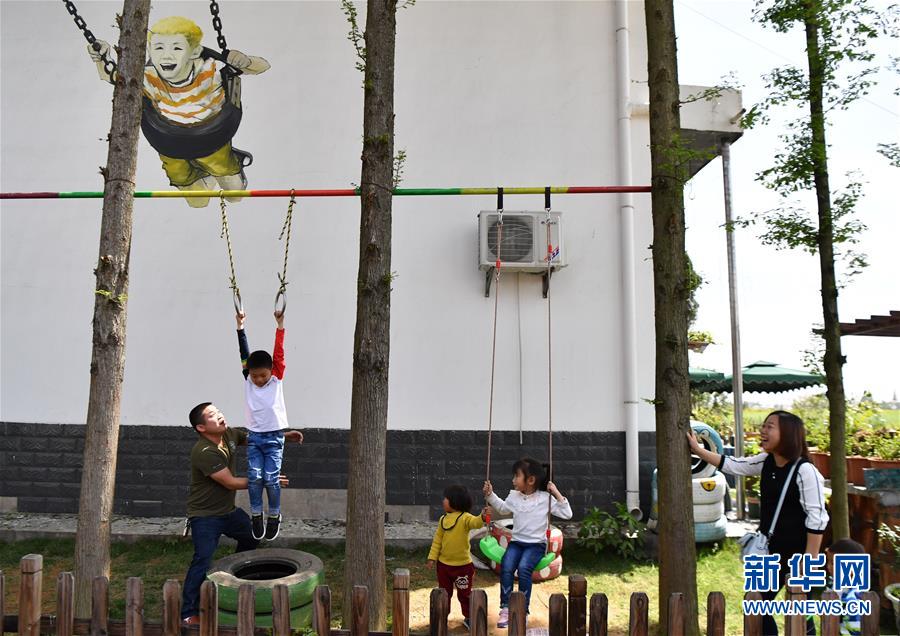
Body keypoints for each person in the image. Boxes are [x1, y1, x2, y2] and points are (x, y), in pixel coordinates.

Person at [88, 16, 270, 207]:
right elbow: (113, 76)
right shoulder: (146, 77)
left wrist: (243, 61)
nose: (166, 56)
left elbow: (261, 67)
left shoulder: (212, 68)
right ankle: (200, 173)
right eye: (159, 48)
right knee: (198, 202)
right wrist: (102, 58)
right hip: (170, 146)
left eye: (176, 48)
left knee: (235, 194)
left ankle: (214, 167)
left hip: (212, 141)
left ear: (193, 52)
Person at [688, 410, 828, 635]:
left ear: (788, 434)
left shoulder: (805, 471)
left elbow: (818, 520)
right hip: (771, 552)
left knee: (801, 612)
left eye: (770, 426)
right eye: (764, 425)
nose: (763, 430)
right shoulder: (766, 461)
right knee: (756, 605)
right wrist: (698, 451)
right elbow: (734, 465)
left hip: (798, 556)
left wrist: (807, 565)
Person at [180, 402, 299, 625]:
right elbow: (230, 482)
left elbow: (255, 439)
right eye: (212, 416)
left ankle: (231, 578)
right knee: (202, 559)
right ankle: (187, 612)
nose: (220, 416)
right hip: (205, 516)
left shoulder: (230, 434)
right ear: (201, 428)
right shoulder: (204, 452)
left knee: (251, 535)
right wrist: (268, 481)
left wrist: (284, 436)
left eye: (218, 412)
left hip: (228, 511)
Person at [483, 457, 572, 628]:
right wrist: (490, 495)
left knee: (524, 569)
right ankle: (506, 608)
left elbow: (567, 513)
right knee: (507, 566)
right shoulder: (514, 497)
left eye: (516, 476)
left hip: (536, 545)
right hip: (517, 543)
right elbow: (502, 508)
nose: (513, 480)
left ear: (530, 480)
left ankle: (523, 609)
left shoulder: (545, 499)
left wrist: (556, 492)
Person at [238, 309, 302, 541]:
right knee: (255, 477)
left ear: (271, 372)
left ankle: (274, 515)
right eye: (255, 376)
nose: (259, 380)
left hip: (275, 436)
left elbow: (279, 353)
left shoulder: (276, 377)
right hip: (254, 436)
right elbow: (244, 353)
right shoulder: (248, 379)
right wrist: (240, 327)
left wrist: (280, 324)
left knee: (271, 478)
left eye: (263, 375)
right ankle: (257, 513)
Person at [427, 484, 486, 630]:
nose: (443, 501)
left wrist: (483, 517)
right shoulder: (442, 520)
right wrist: (432, 557)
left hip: (463, 567)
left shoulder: (465, 518)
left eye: (445, 498)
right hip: (444, 566)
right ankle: (442, 616)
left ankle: (469, 617)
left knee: (465, 594)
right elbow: (437, 540)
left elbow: (476, 523)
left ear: (454, 501)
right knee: (444, 594)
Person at [825, 538, 866, 636]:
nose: (828, 566)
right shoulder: (833, 582)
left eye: (833, 563)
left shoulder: (853, 597)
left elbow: (854, 628)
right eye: (829, 562)